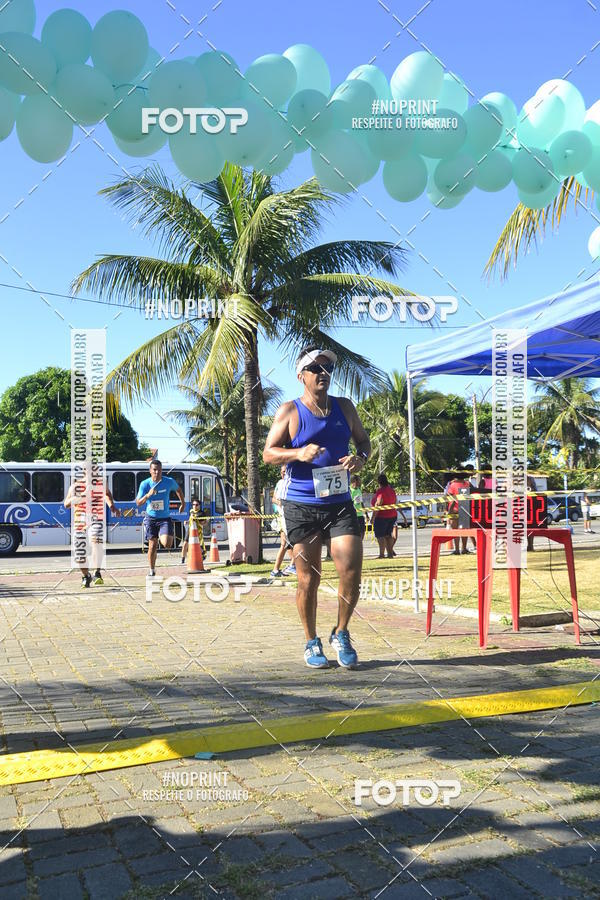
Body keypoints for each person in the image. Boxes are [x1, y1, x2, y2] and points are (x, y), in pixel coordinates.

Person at [263, 346, 371, 669]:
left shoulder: (345, 408)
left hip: (339, 503)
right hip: (302, 504)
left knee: (351, 568)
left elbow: (364, 443)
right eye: (315, 368)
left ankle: (341, 631)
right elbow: (269, 453)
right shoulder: (290, 411)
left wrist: (359, 459)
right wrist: (298, 454)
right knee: (308, 578)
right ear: (301, 376)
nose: (322, 373)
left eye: (327, 368)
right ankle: (312, 641)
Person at [64, 476, 119, 588]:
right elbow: (67, 504)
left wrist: (111, 505)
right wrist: (83, 494)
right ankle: (86, 576)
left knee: (96, 543)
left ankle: (97, 572)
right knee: (80, 555)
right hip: (80, 522)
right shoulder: (75, 486)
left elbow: (107, 495)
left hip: (95, 519)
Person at [136, 459, 185, 577]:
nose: (157, 472)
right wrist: (148, 495)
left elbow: (178, 490)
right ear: (150, 471)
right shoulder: (145, 484)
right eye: (154, 470)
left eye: (159, 470)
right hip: (151, 518)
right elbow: (138, 503)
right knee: (152, 545)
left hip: (164, 519)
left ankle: (162, 534)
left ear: (162, 470)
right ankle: (152, 570)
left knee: (167, 544)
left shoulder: (169, 481)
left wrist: (182, 503)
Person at [270, 465, 295, 577]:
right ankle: (287, 567)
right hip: (283, 517)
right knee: (287, 544)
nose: (283, 474)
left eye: (285, 471)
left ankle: (280, 569)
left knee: (287, 544)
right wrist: (279, 502)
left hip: (289, 516)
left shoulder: (292, 483)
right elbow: (274, 498)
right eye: (281, 472)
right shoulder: (280, 483)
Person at [371, 474, 397, 559]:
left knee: (380, 536)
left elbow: (378, 503)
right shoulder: (392, 490)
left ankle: (381, 554)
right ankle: (390, 554)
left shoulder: (380, 491)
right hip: (392, 515)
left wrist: (373, 517)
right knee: (388, 535)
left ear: (379, 482)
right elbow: (395, 502)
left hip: (382, 517)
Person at [445, 472, 471, 554]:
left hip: (455, 509)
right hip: (465, 508)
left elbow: (451, 498)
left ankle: (456, 549)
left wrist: (449, 510)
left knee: (455, 530)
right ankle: (464, 548)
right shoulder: (467, 484)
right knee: (464, 530)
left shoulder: (452, 485)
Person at [180, 497, 206, 564]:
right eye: (193, 504)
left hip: (198, 531)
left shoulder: (201, 513)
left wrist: (201, 522)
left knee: (198, 545)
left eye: (196, 505)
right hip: (190, 530)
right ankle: (182, 559)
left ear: (199, 505)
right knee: (185, 544)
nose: (195, 506)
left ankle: (203, 555)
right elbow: (190, 519)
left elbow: (204, 522)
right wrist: (187, 521)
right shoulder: (191, 511)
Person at [350, 474, 366, 540]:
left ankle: (360, 543)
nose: (360, 482)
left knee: (362, 531)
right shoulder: (350, 490)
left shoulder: (359, 490)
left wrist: (366, 513)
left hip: (360, 514)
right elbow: (347, 502)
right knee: (353, 532)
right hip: (353, 514)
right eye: (358, 481)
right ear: (354, 481)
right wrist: (353, 501)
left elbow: (361, 502)